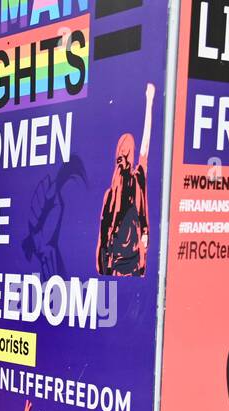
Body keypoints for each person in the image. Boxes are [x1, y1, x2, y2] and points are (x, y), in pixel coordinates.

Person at [97, 82, 154, 277]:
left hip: (117, 266)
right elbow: (146, 145)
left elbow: (103, 239)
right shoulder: (138, 179)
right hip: (136, 262)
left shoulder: (111, 194)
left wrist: (104, 269)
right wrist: (150, 101)